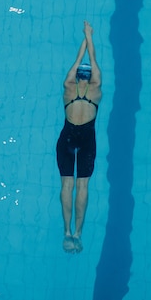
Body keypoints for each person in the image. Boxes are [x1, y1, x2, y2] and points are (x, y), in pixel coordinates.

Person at [56, 20, 102, 253]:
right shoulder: (96, 88)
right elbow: (92, 60)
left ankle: (65, 231)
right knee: (83, 186)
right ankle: (78, 233)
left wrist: (83, 39)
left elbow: (79, 62)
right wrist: (89, 35)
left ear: (76, 76)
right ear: (91, 76)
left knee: (67, 184)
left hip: (67, 136)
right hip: (87, 139)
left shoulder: (67, 86)